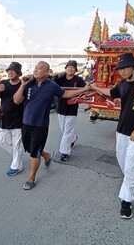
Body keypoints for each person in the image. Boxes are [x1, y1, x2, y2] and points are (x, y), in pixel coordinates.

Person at [90, 53, 134, 219]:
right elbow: (111, 92)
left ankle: (126, 201)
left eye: (125, 68)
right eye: (120, 69)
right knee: (123, 162)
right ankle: (129, 180)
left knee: (131, 166)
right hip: (122, 130)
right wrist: (94, 87)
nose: (122, 71)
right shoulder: (122, 84)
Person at [13, 61, 90, 190]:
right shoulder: (28, 84)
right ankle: (46, 155)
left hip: (41, 125)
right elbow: (16, 100)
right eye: (35, 68)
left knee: (34, 153)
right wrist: (22, 85)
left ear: (47, 71)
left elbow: (65, 94)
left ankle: (32, 177)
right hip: (26, 123)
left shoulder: (51, 85)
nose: (36, 70)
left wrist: (83, 89)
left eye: (39, 68)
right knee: (29, 148)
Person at [0, 62, 25, 176]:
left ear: (18, 72)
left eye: (13, 70)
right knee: (2, 141)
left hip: (18, 119)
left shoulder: (23, 84)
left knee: (17, 144)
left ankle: (16, 166)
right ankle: (18, 157)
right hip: (4, 119)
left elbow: (19, 100)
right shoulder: (3, 83)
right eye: (8, 70)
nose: (10, 72)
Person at [53, 60, 87, 161]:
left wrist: (83, 95)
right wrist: (53, 76)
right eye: (69, 67)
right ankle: (73, 139)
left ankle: (64, 152)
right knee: (64, 130)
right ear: (66, 68)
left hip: (72, 108)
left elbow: (85, 90)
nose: (70, 68)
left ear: (76, 70)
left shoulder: (79, 80)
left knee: (67, 131)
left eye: (73, 67)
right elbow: (51, 84)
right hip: (61, 107)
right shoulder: (60, 79)